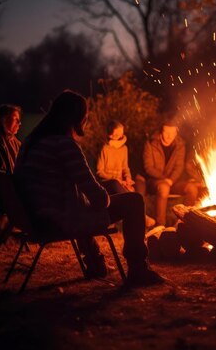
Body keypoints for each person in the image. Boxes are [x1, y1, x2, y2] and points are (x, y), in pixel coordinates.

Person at [14, 90, 164, 286]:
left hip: (38, 213)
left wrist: (108, 189)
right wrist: (108, 195)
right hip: (59, 217)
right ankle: (138, 270)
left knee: (111, 185)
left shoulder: (32, 142)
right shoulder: (64, 144)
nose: (85, 121)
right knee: (134, 201)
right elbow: (99, 200)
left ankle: (95, 263)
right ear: (75, 118)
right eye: (84, 117)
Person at [96, 120, 156, 228]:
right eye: (117, 133)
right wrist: (115, 178)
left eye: (121, 133)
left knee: (132, 192)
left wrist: (128, 177)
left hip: (121, 182)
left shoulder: (124, 148)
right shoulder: (105, 149)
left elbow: (125, 167)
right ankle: (143, 217)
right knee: (117, 186)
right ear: (111, 134)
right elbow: (99, 172)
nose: (120, 135)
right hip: (109, 183)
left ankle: (135, 224)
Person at [134, 120, 186, 226]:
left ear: (176, 133)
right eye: (166, 132)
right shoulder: (151, 143)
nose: (169, 136)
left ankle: (184, 223)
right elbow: (148, 167)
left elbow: (179, 167)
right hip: (153, 180)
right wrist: (164, 179)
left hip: (171, 180)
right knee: (164, 187)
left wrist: (171, 180)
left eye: (172, 133)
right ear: (161, 131)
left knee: (192, 189)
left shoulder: (179, 145)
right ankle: (160, 225)